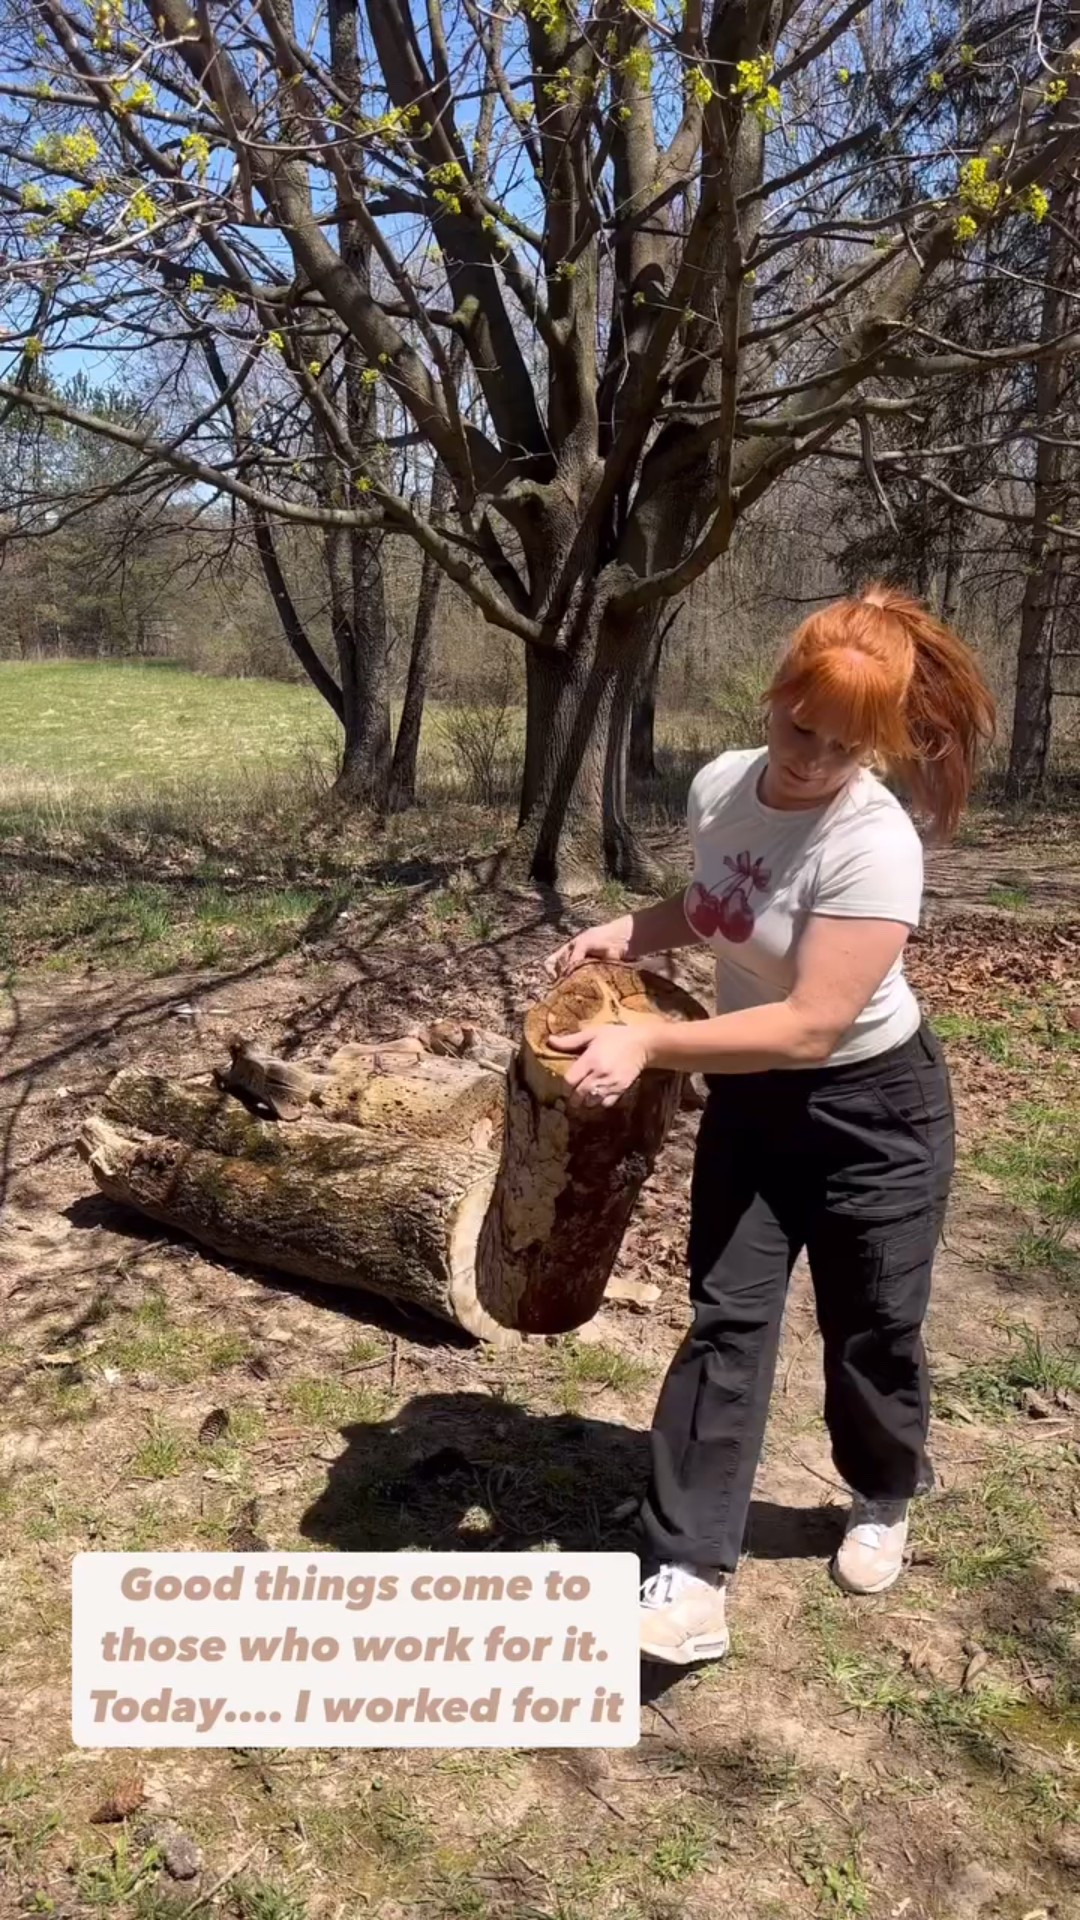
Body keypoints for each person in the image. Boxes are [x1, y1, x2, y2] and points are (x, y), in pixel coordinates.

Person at [544, 584, 996, 1667]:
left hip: (872, 1109)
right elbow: (715, 910)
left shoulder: (876, 845)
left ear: (876, 750)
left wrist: (650, 1045)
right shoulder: (720, 786)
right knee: (727, 1320)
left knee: (872, 1326)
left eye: (844, 748)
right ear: (775, 694)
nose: (810, 760)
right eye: (801, 727)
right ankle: (691, 1574)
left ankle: (884, 1490)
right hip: (752, 1099)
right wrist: (631, 927)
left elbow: (809, 1026)